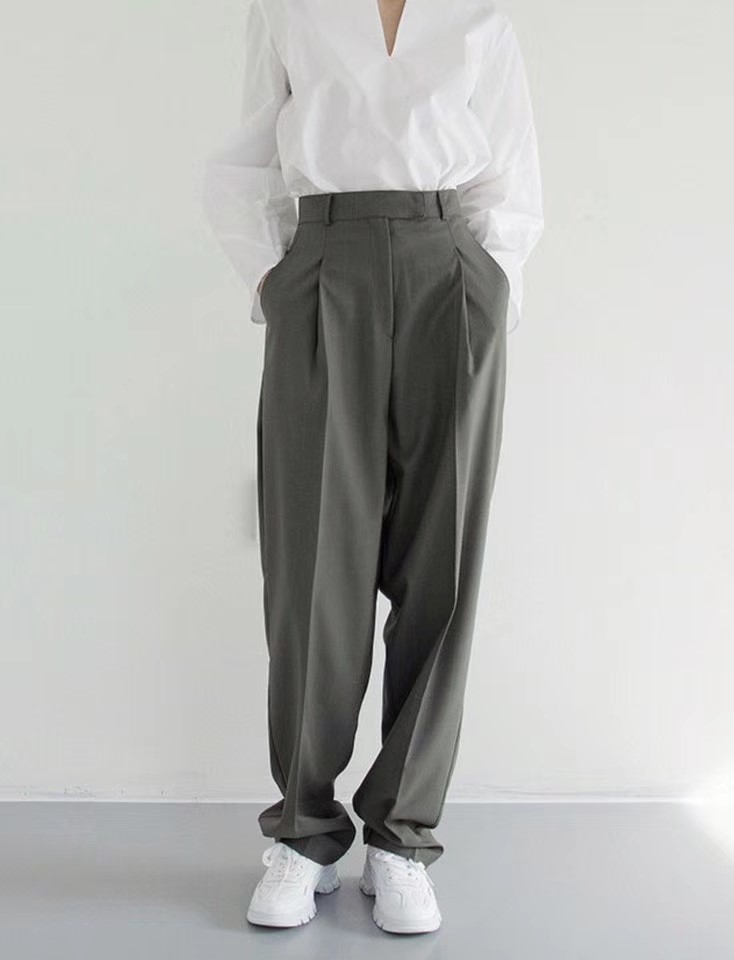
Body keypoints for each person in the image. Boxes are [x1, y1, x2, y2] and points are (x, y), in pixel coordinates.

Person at [201, 0, 543, 935]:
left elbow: (510, 173)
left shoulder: (482, 14)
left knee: (443, 563)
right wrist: (276, 279)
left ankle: (401, 839)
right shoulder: (287, 6)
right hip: (324, 266)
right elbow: (246, 159)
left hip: (450, 272)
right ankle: (306, 832)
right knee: (311, 568)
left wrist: (490, 290)